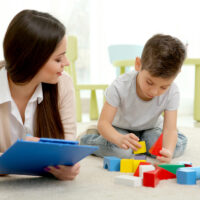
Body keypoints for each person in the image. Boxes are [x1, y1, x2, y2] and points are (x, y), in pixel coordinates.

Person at [80, 34, 187, 163]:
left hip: (151, 128)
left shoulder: (173, 91)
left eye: (163, 87)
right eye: (149, 82)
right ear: (138, 64)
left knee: (167, 149)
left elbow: (169, 129)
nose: (154, 92)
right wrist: (118, 138)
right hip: (120, 128)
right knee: (122, 152)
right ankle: (89, 139)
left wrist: (168, 151)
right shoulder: (120, 86)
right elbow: (103, 124)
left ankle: (174, 139)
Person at [0, 10, 80, 180]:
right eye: (58, 59)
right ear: (32, 61)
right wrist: (20, 157)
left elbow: (67, 145)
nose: (66, 63)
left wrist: (66, 165)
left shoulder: (63, 84)